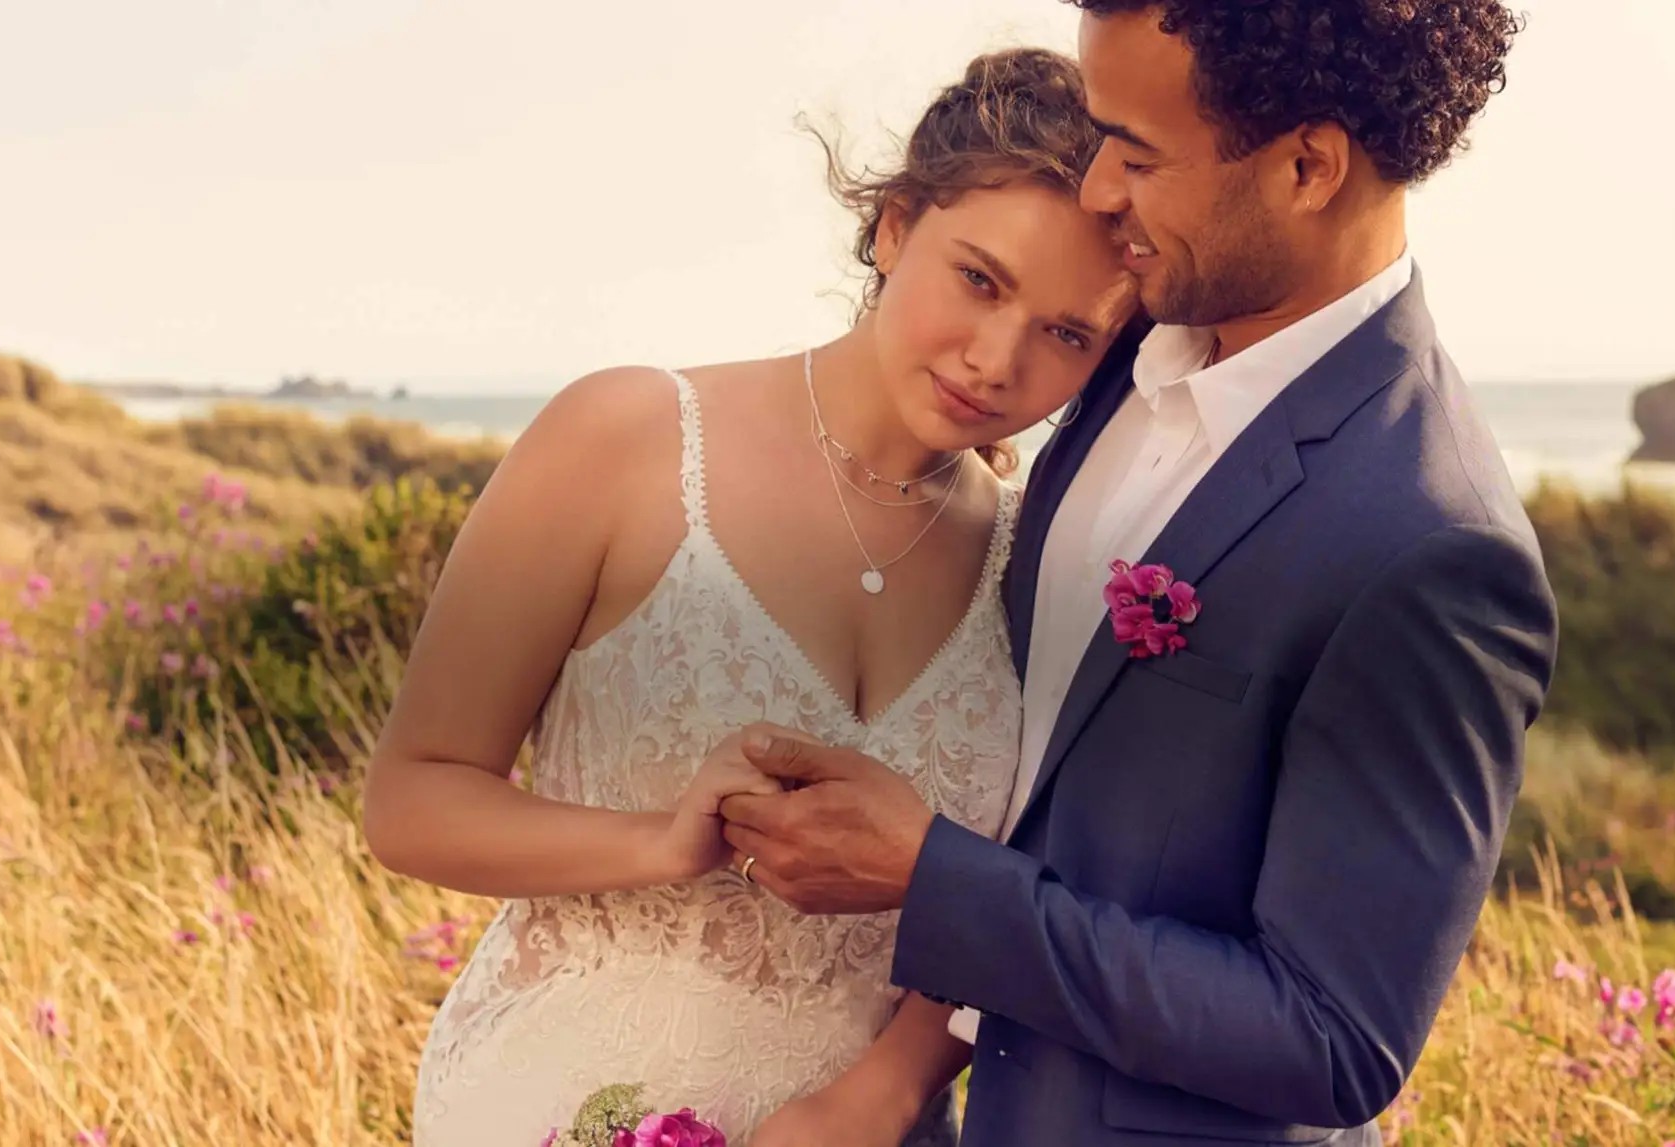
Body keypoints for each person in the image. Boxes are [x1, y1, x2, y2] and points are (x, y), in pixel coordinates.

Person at [714, 2, 1558, 1144]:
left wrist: (932, 878)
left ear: (1308, 166)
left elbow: (1332, 1037)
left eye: (1139, 152)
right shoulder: (1122, 338)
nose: (1100, 189)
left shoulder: (1429, 543)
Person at [358, 48, 1141, 1146]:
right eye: (979, 278)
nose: (996, 359)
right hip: (568, 1102)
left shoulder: (1040, 563)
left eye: (1068, 334)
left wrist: (891, 1091)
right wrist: (660, 843)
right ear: (896, 228)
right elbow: (412, 799)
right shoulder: (621, 439)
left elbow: (1023, 890)